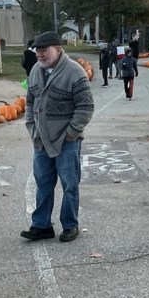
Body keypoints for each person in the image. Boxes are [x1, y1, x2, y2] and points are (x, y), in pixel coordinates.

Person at [21, 31, 95, 243]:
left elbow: (86, 107)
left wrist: (70, 134)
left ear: (58, 50)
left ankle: (70, 225)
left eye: (44, 50)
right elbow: (29, 102)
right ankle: (41, 225)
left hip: (67, 141)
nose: (40, 55)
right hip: (41, 141)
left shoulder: (74, 72)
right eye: (37, 51)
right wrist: (32, 128)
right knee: (43, 183)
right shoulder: (35, 71)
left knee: (69, 183)